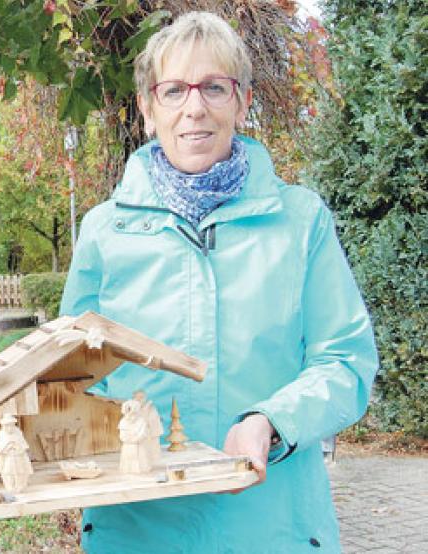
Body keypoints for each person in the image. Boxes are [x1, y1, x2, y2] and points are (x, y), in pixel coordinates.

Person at [60, 12, 378, 553]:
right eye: (174, 90)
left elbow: (345, 362)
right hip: (137, 531)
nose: (195, 107)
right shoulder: (104, 231)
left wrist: (270, 422)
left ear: (242, 100)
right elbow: (67, 375)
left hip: (271, 524)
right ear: (147, 107)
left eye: (214, 87)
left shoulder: (301, 222)